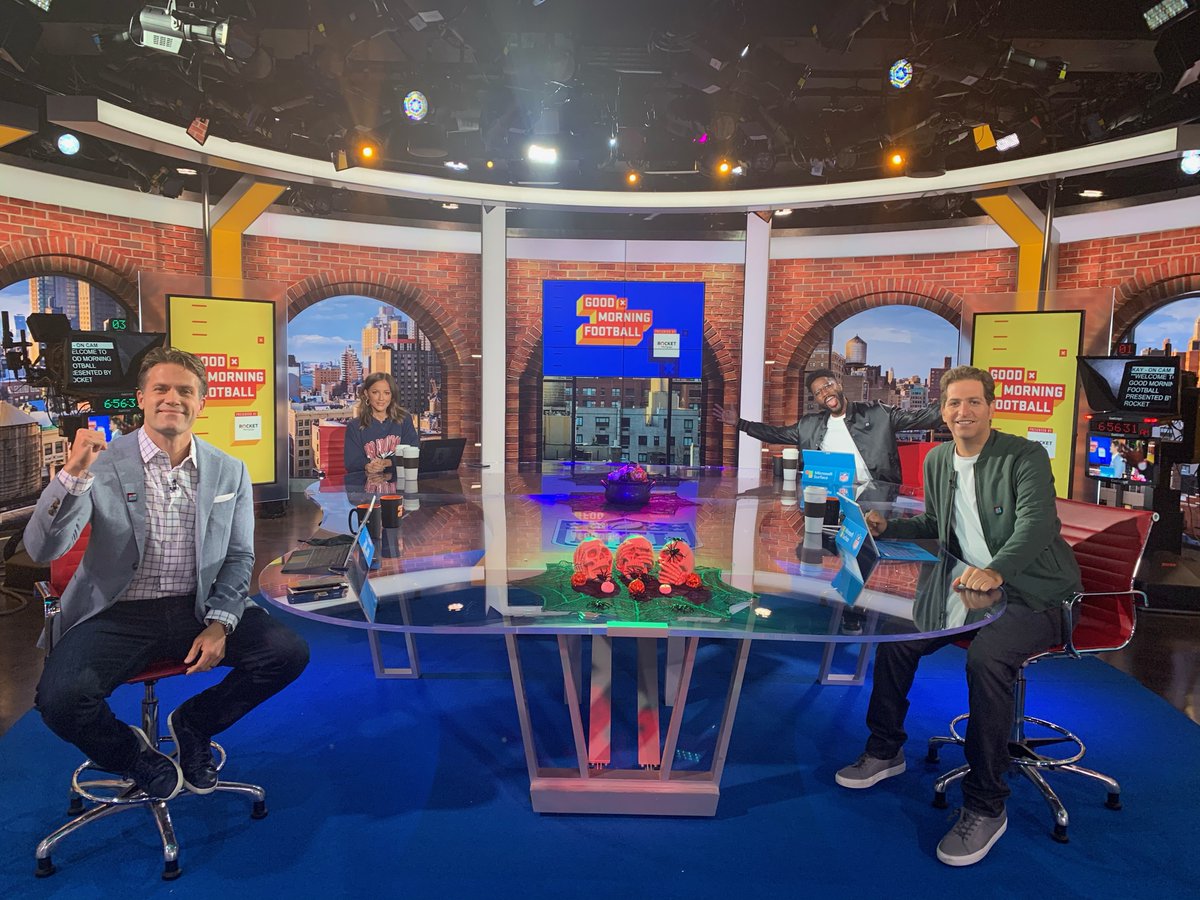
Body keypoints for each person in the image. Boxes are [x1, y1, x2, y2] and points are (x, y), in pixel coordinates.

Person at [26, 347, 310, 801]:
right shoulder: (101, 462)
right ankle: (136, 758)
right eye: (160, 388)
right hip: (116, 613)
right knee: (59, 700)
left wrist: (221, 623)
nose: (172, 398)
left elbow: (239, 556)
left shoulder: (229, 471)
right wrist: (73, 474)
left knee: (287, 653)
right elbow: (43, 548)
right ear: (141, 397)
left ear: (202, 402)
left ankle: (194, 724)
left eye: (185, 390)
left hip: (197, 607)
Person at [834, 365, 1082, 867]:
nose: (962, 411)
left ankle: (986, 804)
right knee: (897, 636)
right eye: (953, 403)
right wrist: (887, 524)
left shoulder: (1024, 456)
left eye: (973, 401)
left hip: (1038, 595)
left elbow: (1038, 524)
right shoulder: (939, 458)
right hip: (970, 589)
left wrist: (996, 570)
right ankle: (885, 749)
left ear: (991, 407)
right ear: (942, 411)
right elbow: (936, 522)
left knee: (986, 660)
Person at [714, 369, 942, 487]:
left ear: (839, 385)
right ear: (816, 399)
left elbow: (923, 418)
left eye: (828, 385)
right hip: (829, 498)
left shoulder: (878, 413)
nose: (825, 392)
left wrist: (955, 404)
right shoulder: (809, 425)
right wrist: (740, 423)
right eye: (818, 392)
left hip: (877, 497)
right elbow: (775, 434)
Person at [343, 372, 419, 479]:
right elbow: (351, 462)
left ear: (392, 395)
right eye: (375, 392)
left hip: (400, 483)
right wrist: (367, 466)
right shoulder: (355, 426)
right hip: (367, 484)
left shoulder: (404, 419)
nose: (381, 398)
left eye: (386, 393)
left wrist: (388, 462)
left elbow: (413, 452)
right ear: (366, 394)